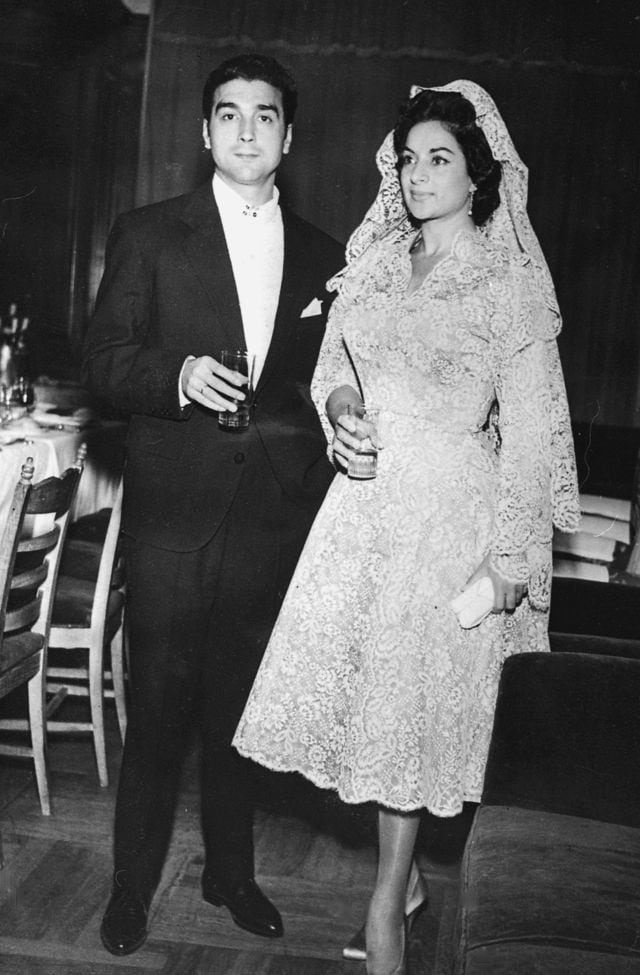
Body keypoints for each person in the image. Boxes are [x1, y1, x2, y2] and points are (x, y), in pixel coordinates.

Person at [233, 80, 580, 975]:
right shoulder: (378, 262)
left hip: (450, 511)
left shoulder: (506, 283)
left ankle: (388, 900)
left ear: (477, 178)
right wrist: (345, 411)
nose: (420, 175)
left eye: (441, 160)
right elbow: (333, 372)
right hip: (366, 507)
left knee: (408, 714)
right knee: (370, 707)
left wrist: (511, 561)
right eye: (410, 158)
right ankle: (407, 885)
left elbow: (535, 433)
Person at [82, 53, 344, 956]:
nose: (244, 130)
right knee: (157, 719)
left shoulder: (325, 255)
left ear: (288, 137)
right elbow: (105, 363)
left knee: (244, 718)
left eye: (263, 116)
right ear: (203, 133)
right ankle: (128, 891)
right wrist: (177, 375)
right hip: (173, 522)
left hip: (269, 525)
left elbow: (323, 389)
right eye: (227, 114)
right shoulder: (151, 232)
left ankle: (231, 876)